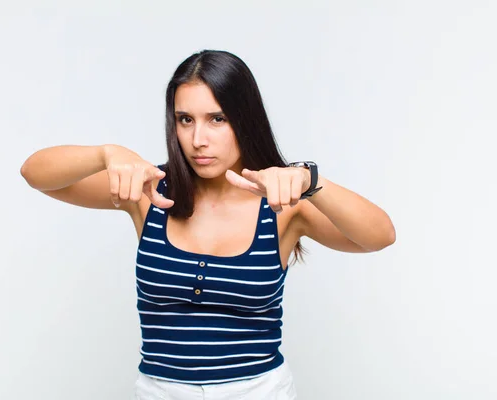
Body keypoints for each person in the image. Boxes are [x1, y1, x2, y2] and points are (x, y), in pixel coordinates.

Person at [20, 49, 396, 399]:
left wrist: (311, 182)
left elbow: (379, 236)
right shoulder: (149, 190)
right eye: (186, 120)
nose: (198, 140)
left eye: (217, 119)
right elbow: (36, 174)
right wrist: (105, 154)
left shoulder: (281, 203)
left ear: (244, 119)